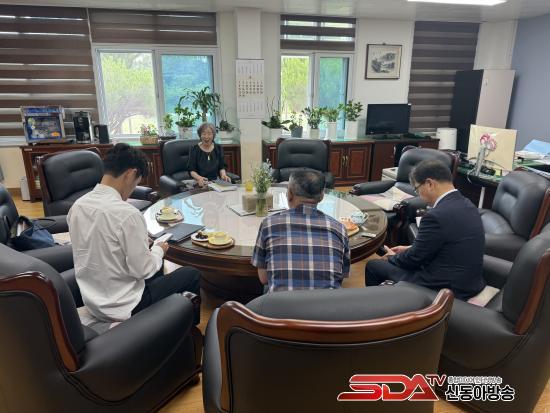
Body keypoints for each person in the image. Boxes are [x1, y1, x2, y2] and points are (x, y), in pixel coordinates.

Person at [67, 143, 201, 323]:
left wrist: (141, 245)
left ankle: (164, 317)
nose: (132, 190)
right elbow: (142, 270)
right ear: (130, 174)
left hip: (93, 301)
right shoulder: (127, 214)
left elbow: (101, 245)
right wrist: (159, 249)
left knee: (154, 262)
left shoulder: (77, 206)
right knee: (191, 273)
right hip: (125, 306)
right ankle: (186, 332)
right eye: (136, 183)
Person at [365, 159, 485, 300]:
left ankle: (380, 308)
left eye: (416, 189)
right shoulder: (468, 204)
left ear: (429, 184)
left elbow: (414, 259)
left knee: (374, 266)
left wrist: (392, 257)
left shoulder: (436, 216)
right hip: (469, 282)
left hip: (445, 287)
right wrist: (410, 248)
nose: (418, 195)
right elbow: (448, 241)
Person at [251, 170, 350, 293]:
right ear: (322, 196)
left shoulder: (269, 224)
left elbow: (264, 278)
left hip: (281, 305)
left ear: (289, 194)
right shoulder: (339, 229)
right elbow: (341, 276)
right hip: (327, 304)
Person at [188, 122, 231, 187]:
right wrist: (199, 178)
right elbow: (192, 170)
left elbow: (221, 167)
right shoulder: (194, 149)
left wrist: (223, 175)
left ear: (213, 135)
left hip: (216, 182)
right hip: (199, 181)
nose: (206, 136)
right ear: (200, 135)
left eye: (209, 134)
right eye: (204, 134)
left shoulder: (218, 148)